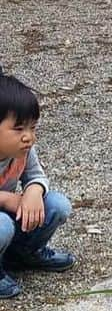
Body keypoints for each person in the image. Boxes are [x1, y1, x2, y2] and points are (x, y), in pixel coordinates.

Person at [0, 73, 75, 299]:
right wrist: (6, 199)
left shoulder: (23, 151)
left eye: (32, 128)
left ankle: (25, 254)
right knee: (3, 224)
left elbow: (36, 175)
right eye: (19, 128)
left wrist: (34, 190)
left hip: (9, 220)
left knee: (57, 204)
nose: (28, 137)